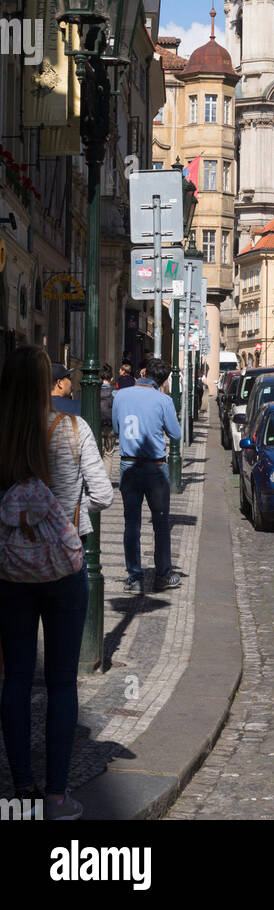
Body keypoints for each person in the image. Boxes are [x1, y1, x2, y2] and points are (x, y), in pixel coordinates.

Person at [0, 345, 113, 819]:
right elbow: (104, 495)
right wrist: (68, 519)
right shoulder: (73, 428)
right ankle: (57, 794)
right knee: (63, 682)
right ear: (52, 382)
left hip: (9, 571)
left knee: (17, 678)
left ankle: (20, 787)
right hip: (65, 570)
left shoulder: (3, 436)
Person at [112, 355, 182, 595]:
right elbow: (176, 434)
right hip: (155, 467)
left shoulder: (120, 395)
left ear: (143, 373)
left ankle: (135, 577)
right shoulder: (163, 400)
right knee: (161, 524)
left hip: (128, 466)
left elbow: (116, 428)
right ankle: (163, 575)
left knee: (131, 524)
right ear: (163, 380)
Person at [99, 364, 116, 459]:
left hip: (98, 425)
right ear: (112, 379)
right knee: (109, 454)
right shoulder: (114, 393)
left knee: (98, 453)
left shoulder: (95, 391)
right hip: (110, 426)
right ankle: (107, 474)